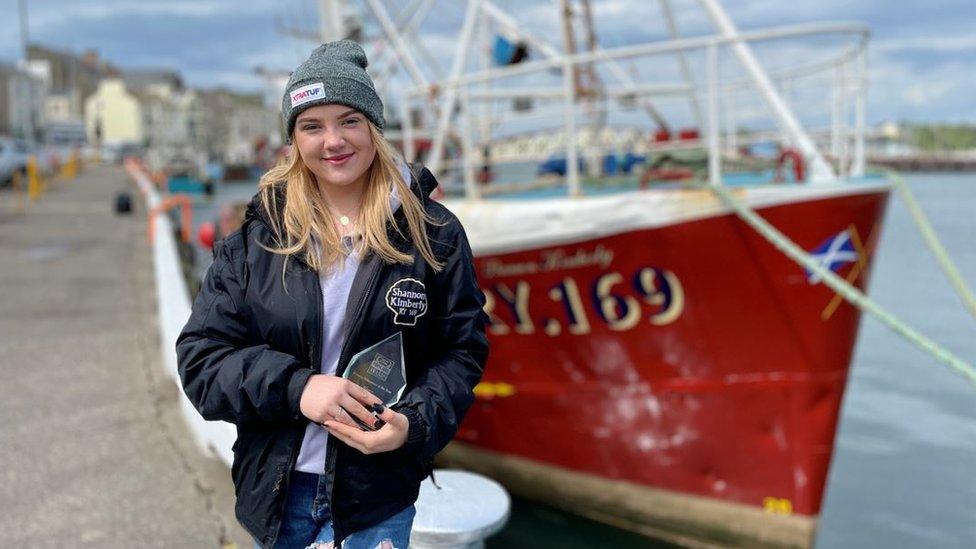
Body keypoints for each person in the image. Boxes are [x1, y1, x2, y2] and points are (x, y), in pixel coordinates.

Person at [176, 40, 489, 549]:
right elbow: (201, 361)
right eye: (311, 125)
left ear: (373, 127)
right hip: (280, 494)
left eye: (349, 120)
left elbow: (461, 352)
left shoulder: (434, 233)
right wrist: (300, 388)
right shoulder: (257, 240)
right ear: (293, 139)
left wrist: (411, 425)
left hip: (377, 493)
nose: (333, 140)